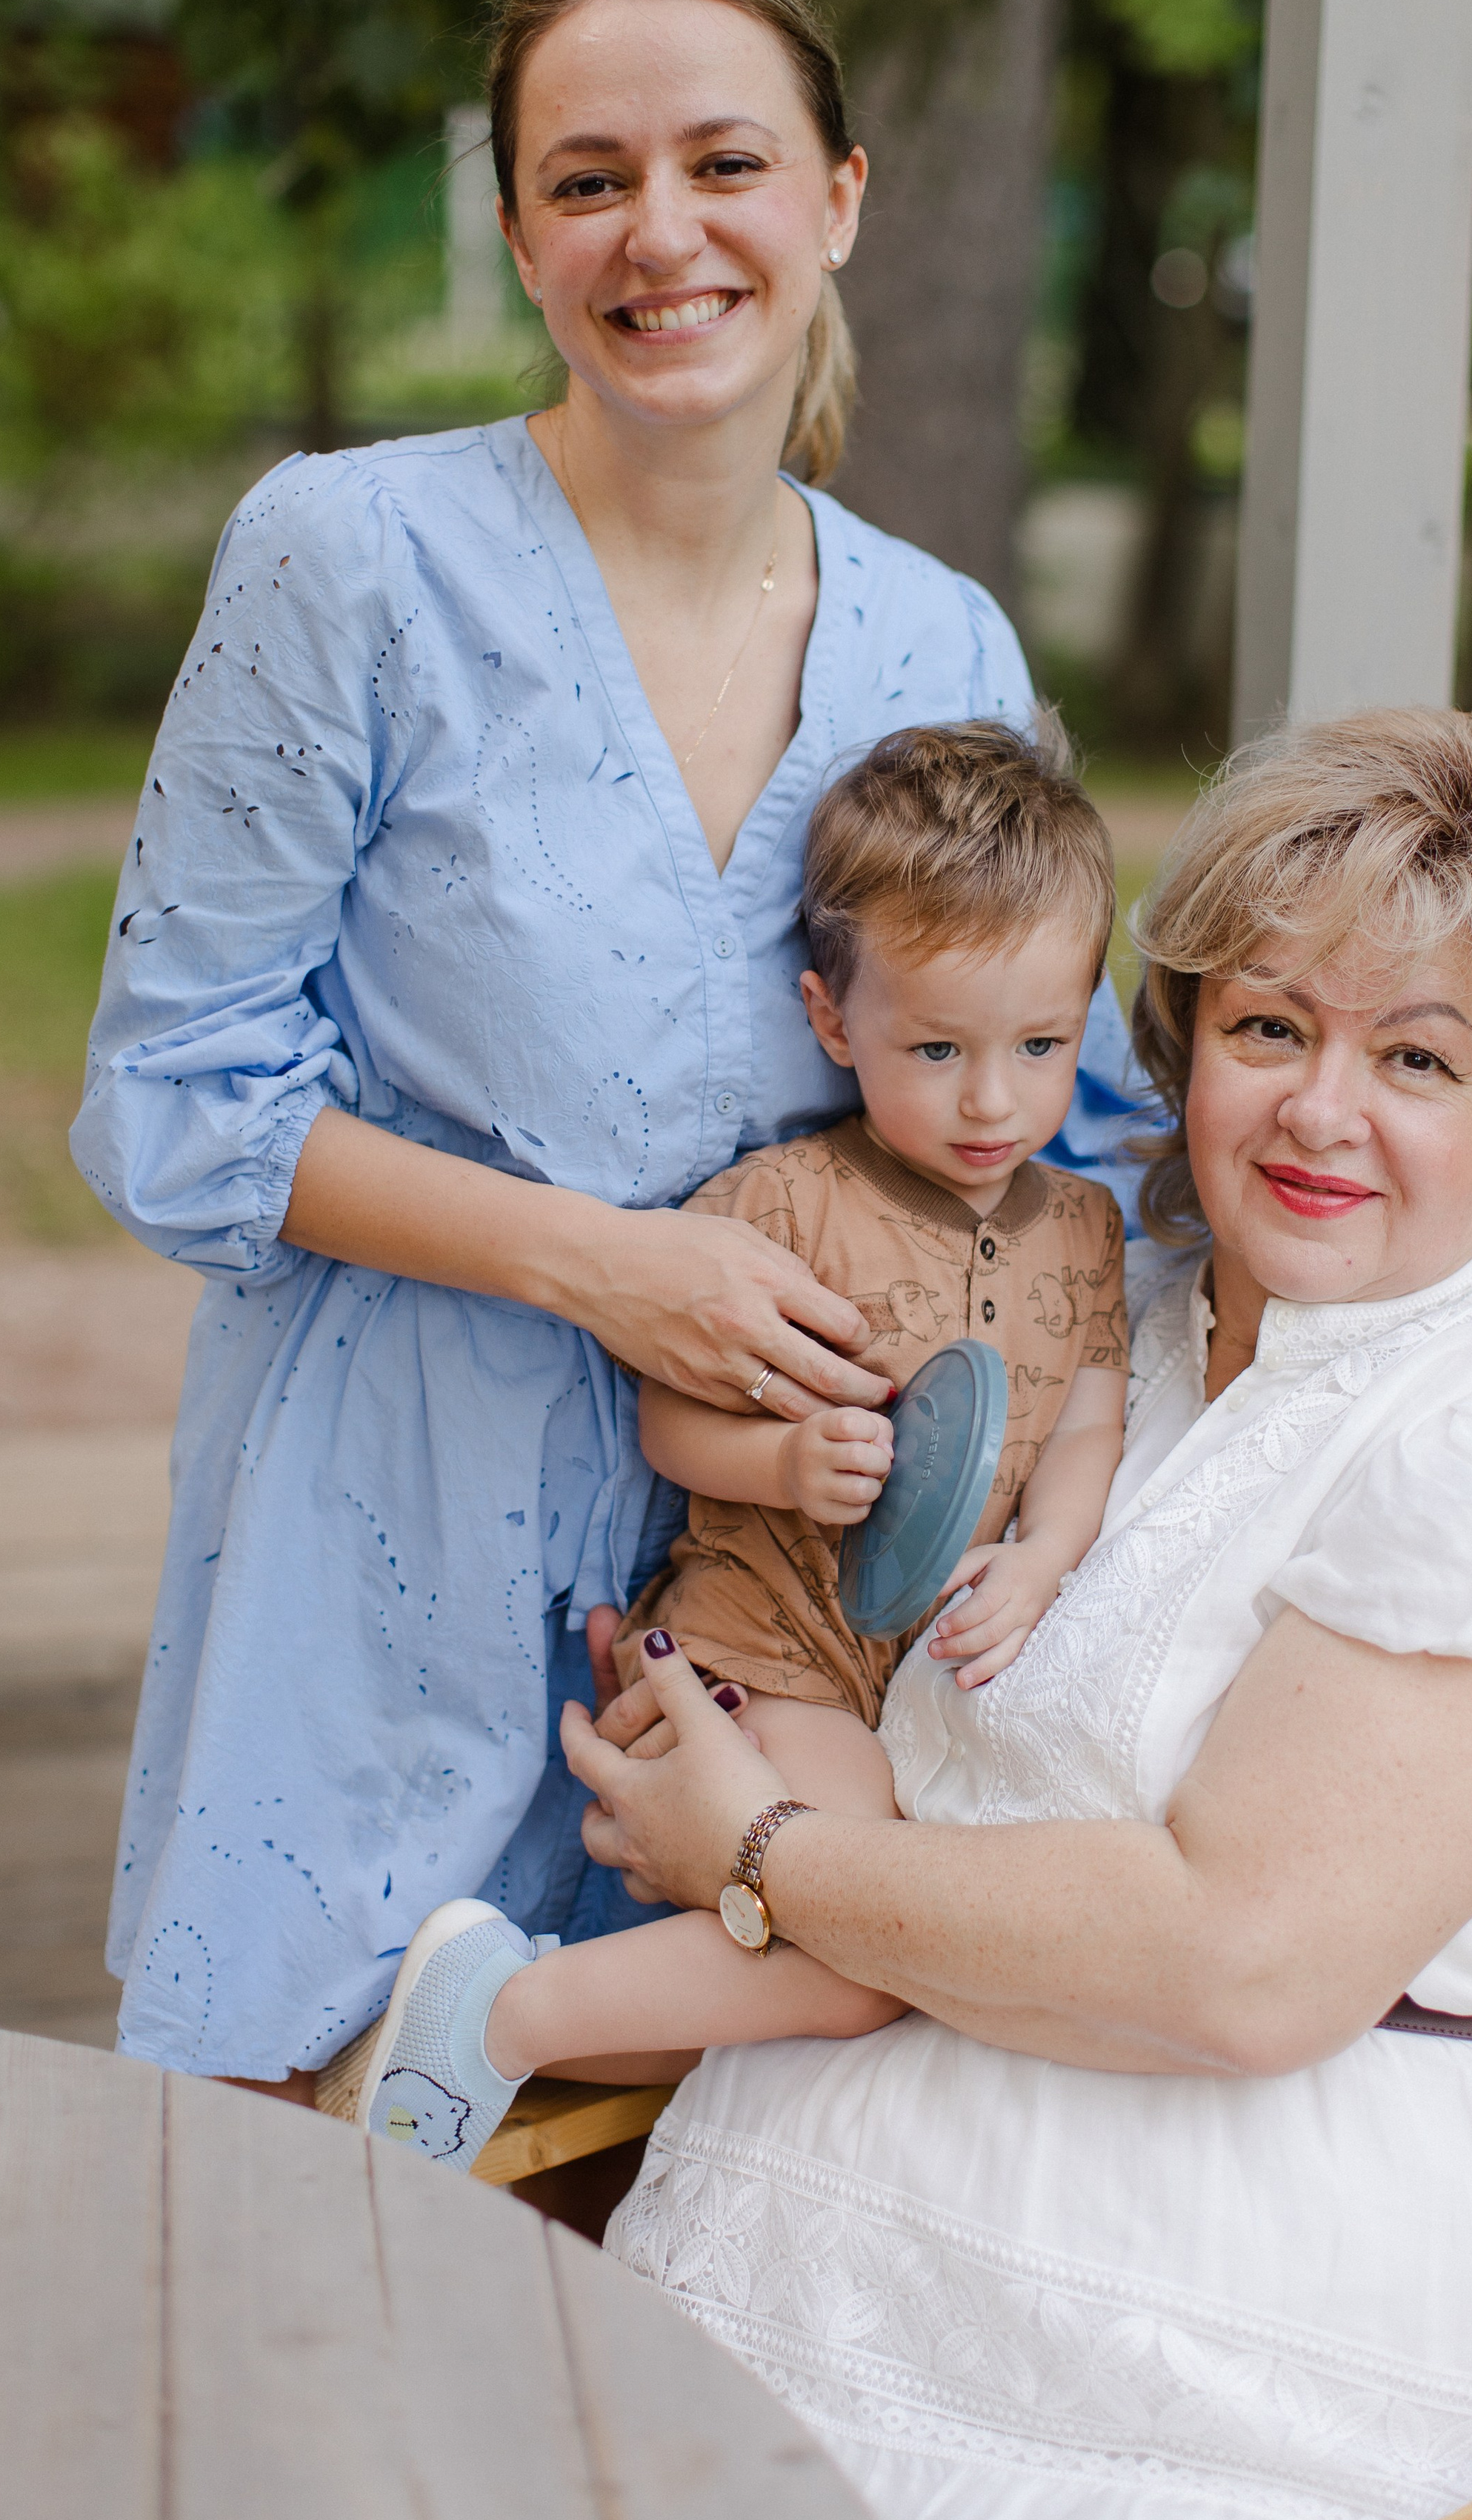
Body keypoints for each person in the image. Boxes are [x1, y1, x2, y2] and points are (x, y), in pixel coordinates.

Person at [68, 0, 1136, 2098]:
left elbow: (1069, 1127)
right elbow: (173, 1094)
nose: (663, 234)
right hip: (403, 1518)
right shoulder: (349, 560)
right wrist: (607, 1269)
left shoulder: (942, 646)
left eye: (727, 163)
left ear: (839, 200)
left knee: (678, 2250)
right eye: (588, 178)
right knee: (316, 2183)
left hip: (791, 1606)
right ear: (519, 231)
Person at [562, 707, 1472, 2520]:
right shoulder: (1114, 1325)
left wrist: (762, 1850)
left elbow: (1242, 1962)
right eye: (1269, 1027)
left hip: (1297, 2298)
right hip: (859, 2234)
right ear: (1184, 1038)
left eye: (1417, 1060)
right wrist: (709, 1692)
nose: (1318, 1110)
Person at [327, 719, 1130, 2168]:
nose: (989, 1100)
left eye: (1039, 1047)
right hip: (768, 1651)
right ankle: (498, 2022)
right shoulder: (780, 1204)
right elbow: (670, 1414)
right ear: (831, 1020)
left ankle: (481, 2026)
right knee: (859, 1959)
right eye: (933, 1048)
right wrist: (778, 1466)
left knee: (846, 1973)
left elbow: (1085, 1413)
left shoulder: (1080, 1226)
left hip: (904, 1686)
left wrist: (1045, 1554)